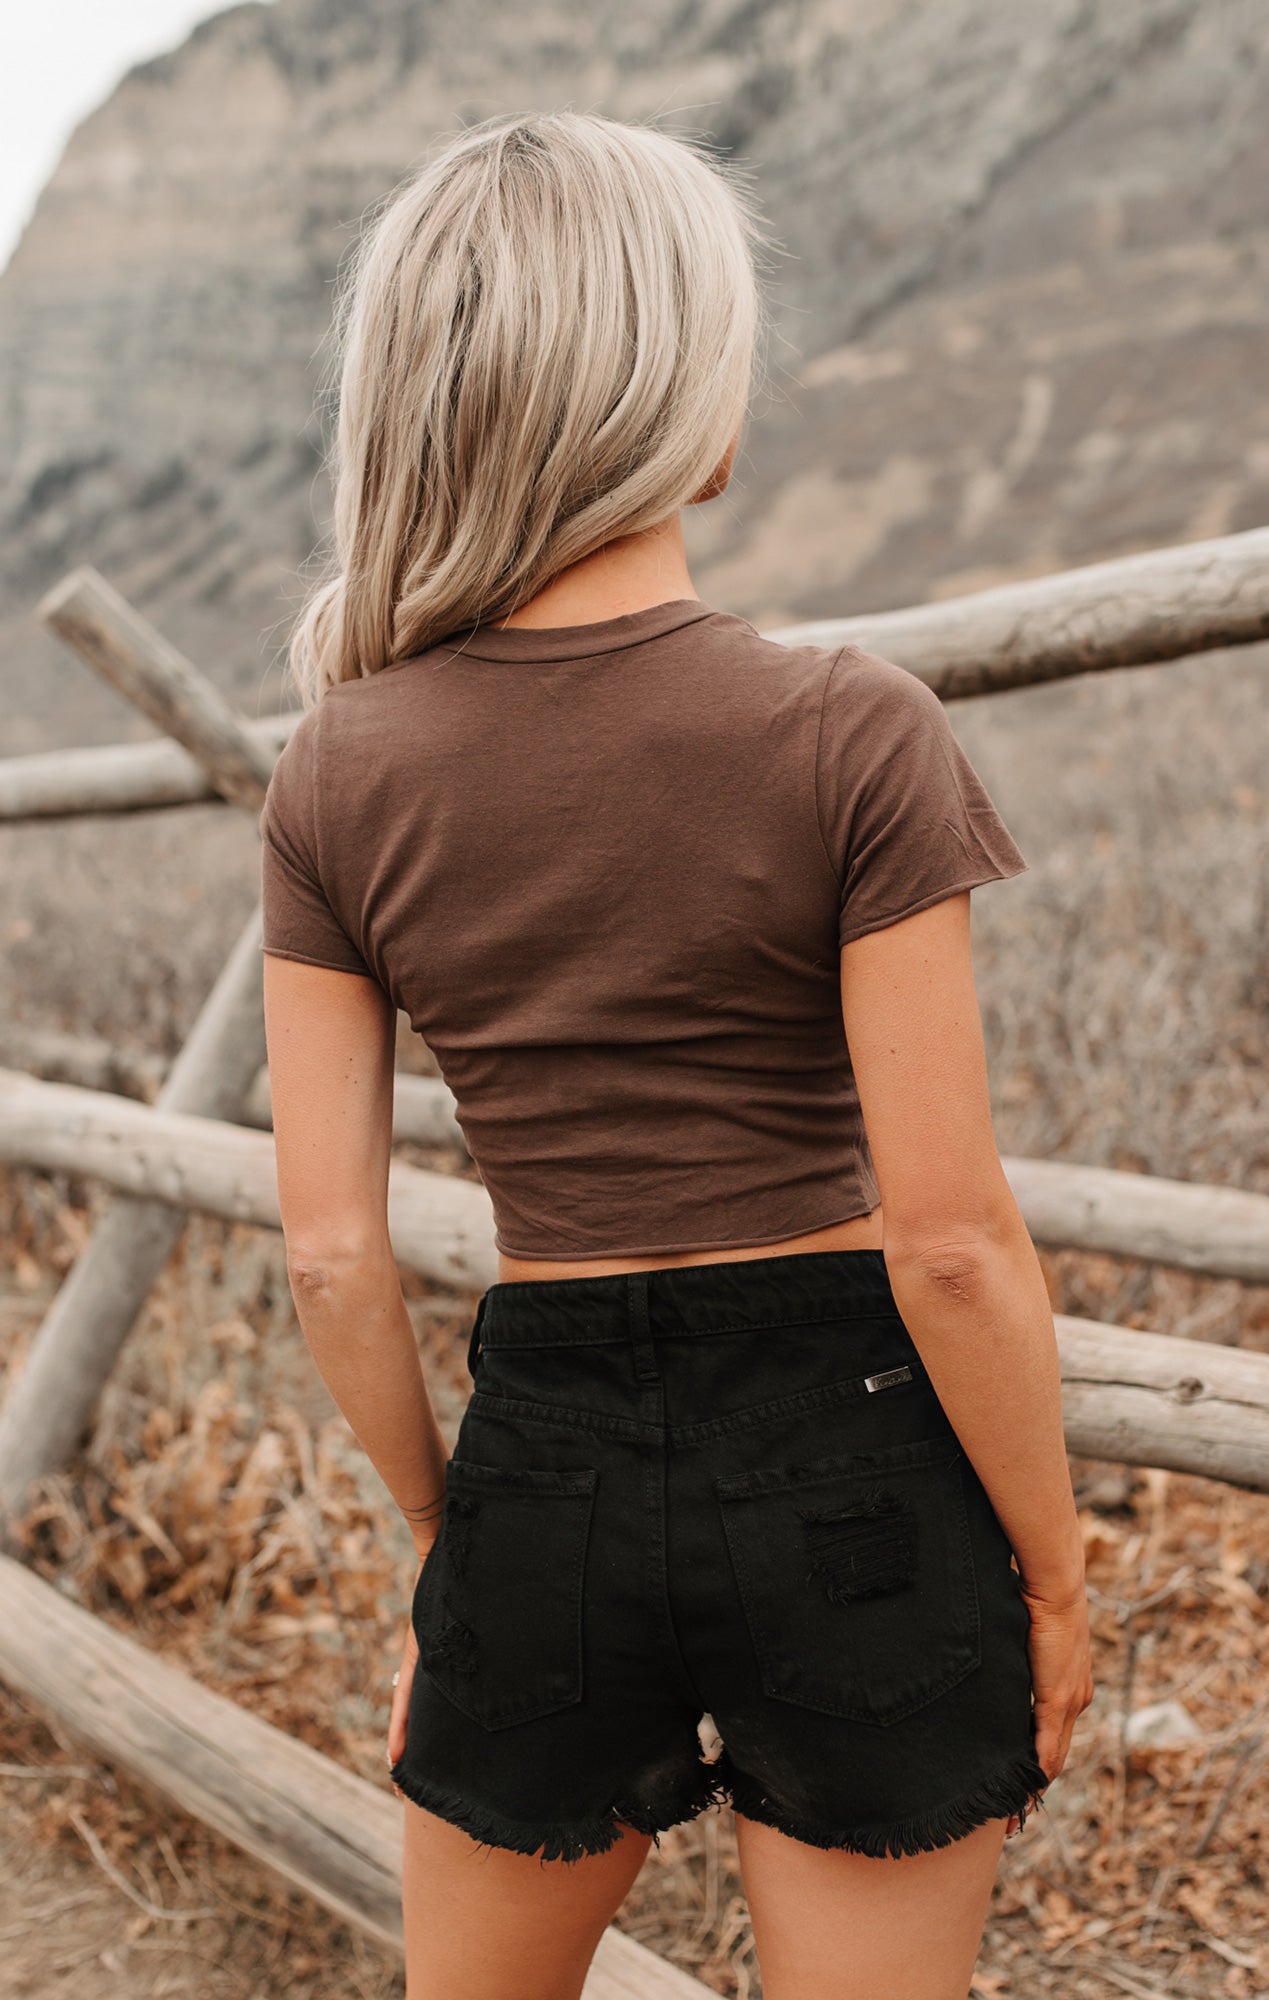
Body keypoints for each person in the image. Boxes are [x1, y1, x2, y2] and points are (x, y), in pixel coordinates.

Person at [259, 108, 1093, 2000]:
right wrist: (1046, 1570)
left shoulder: (336, 764)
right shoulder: (847, 730)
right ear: (677, 406)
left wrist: (439, 1543)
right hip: (854, 1466)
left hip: (537, 1469)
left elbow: (328, 1251)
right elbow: (950, 1243)